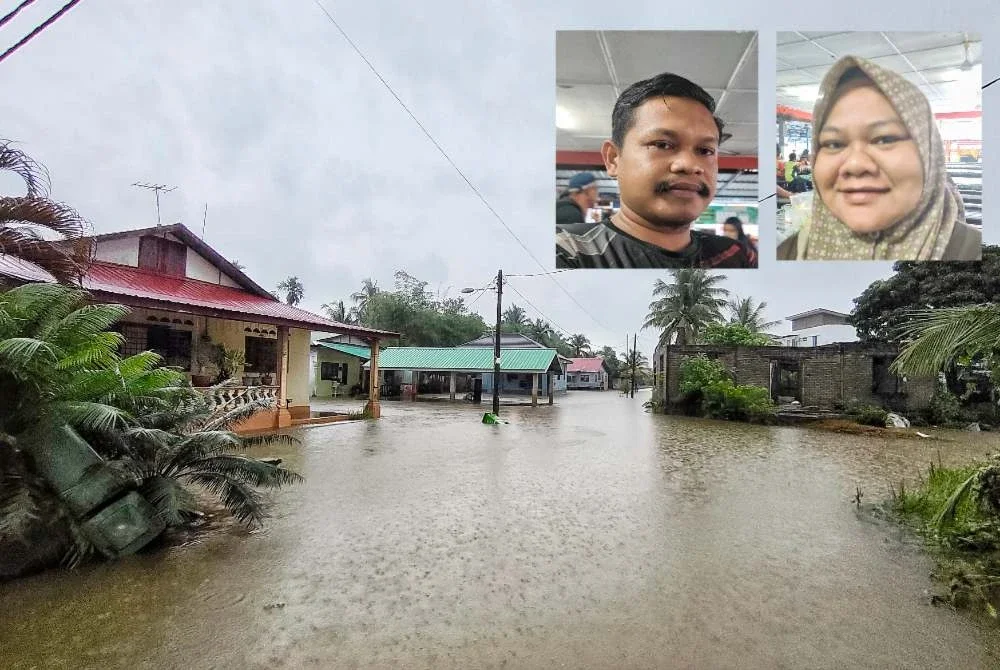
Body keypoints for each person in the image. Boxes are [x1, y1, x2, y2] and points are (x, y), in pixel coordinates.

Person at [778, 55, 981, 261]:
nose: (855, 164)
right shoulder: (788, 253)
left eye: (884, 139)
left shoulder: (974, 252)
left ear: (928, 153)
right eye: (834, 144)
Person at [555, 72, 755, 269]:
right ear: (613, 159)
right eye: (662, 144)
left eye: (705, 150)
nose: (690, 165)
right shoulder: (565, 252)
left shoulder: (734, 255)